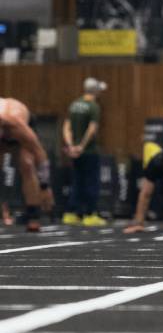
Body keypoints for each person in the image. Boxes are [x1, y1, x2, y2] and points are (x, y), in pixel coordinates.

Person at [0, 97, 54, 232]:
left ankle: (33, 215)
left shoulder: (17, 126)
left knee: (27, 164)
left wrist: (45, 186)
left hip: (22, 122)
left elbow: (40, 154)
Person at [62, 77, 107, 227]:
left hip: (74, 152)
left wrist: (71, 146)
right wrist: (81, 146)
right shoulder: (93, 106)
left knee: (77, 181)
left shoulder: (74, 105)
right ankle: (90, 214)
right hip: (89, 151)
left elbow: (66, 127)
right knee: (91, 182)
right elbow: (92, 129)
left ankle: (71, 213)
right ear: (95, 90)